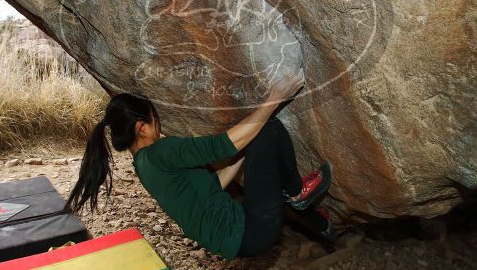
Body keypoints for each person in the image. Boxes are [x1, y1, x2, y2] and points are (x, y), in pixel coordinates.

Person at [66, 70, 334, 260]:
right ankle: (297, 192)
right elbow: (221, 146)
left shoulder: (143, 166)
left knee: (253, 136)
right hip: (251, 230)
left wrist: (244, 151)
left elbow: (211, 186)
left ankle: (316, 220)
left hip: (237, 242)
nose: (160, 128)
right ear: (141, 127)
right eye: (155, 121)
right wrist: (275, 97)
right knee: (269, 127)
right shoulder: (163, 151)